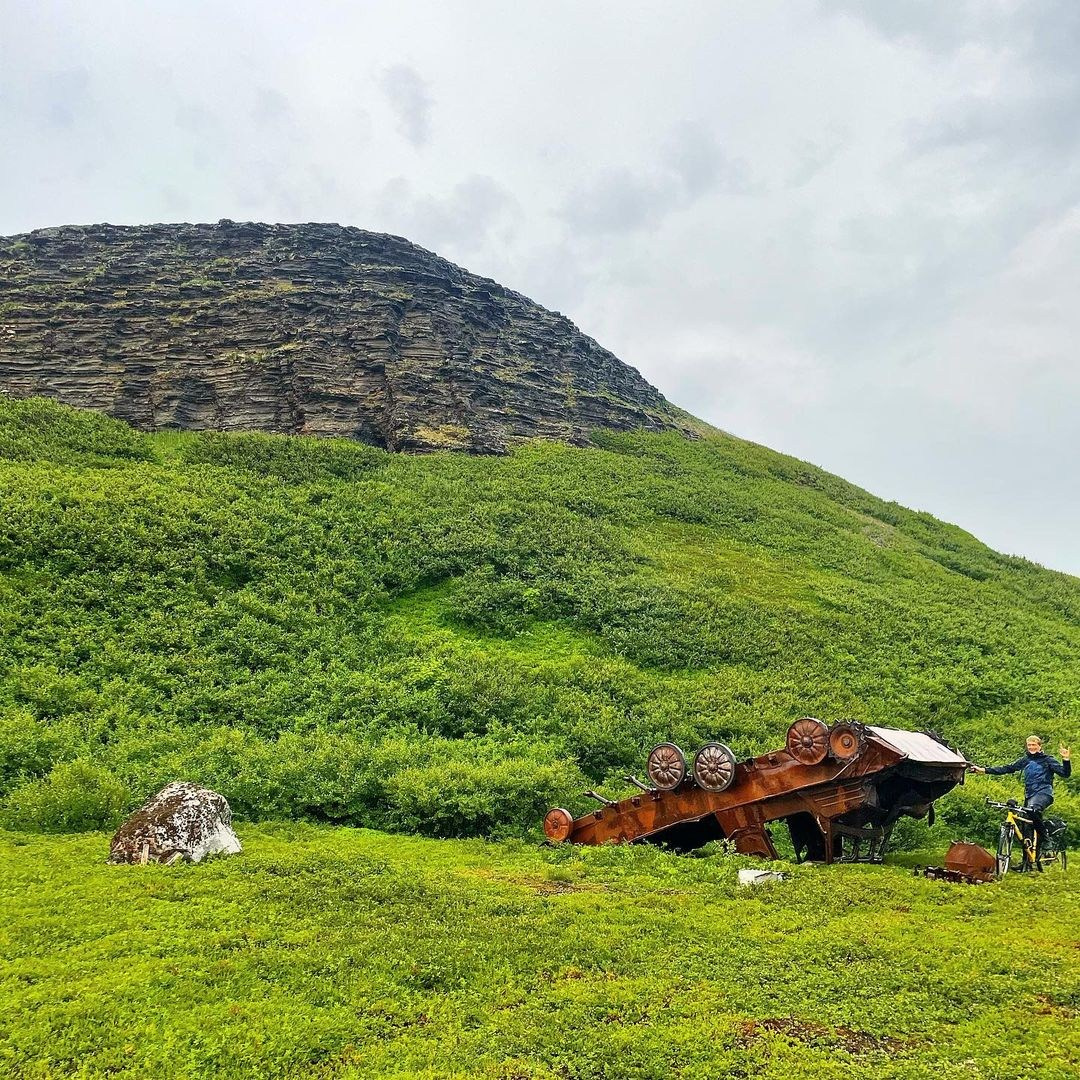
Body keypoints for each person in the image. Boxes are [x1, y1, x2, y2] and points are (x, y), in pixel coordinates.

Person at [971, 735, 1071, 869]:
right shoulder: (1026, 760)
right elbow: (1007, 768)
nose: (1031, 747)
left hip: (1044, 793)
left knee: (1034, 809)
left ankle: (1047, 839)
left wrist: (1065, 759)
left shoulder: (1048, 760)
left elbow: (1065, 773)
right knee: (1026, 828)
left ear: (1040, 746)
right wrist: (983, 770)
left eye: (1034, 745)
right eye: (1029, 745)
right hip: (1030, 796)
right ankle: (1027, 863)